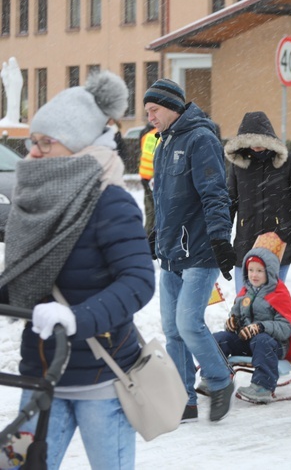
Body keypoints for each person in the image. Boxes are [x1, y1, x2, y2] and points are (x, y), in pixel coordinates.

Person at [0, 71, 155, 469]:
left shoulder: (111, 203)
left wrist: (76, 318)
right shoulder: (32, 202)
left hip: (100, 379)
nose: (33, 152)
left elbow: (138, 282)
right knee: (15, 465)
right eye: (32, 142)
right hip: (39, 374)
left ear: (76, 146)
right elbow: (23, 275)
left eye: (45, 142)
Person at [145, 78, 237, 423]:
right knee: (171, 329)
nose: (150, 117)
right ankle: (185, 399)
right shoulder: (163, 143)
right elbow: (163, 200)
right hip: (171, 251)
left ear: (170, 106)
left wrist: (219, 239)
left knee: (188, 323)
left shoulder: (200, 139)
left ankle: (218, 379)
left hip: (199, 249)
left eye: (154, 110)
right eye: (148, 111)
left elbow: (215, 193)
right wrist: (155, 234)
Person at [224, 111, 291, 288]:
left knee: (271, 304)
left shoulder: (289, 162)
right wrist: (222, 243)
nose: (256, 146)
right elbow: (229, 205)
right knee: (244, 306)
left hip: (278, 245)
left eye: (260, 141)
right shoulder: (238, 166)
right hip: (245, 247)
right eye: (251, 142)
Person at [212, 247, 291, 404]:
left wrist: (261, 327)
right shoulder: (245, 293)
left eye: (259, 270)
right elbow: (235, 315)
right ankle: (217, 378)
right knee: (219, 339)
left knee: (261, 340)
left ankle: (262, 386)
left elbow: (286, 327)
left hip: (273, 345)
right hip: (247, 342)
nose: (254, 274)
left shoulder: (278, 293)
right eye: (251, 270)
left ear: (269, 272)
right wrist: (232, 323)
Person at [138, 123, 158, 235]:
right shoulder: (161, 136)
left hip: (144, 174)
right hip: (153, 176)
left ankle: (148, 231)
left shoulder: (147, 135)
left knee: (149, 207)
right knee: (154, 209)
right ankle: (150, 235)